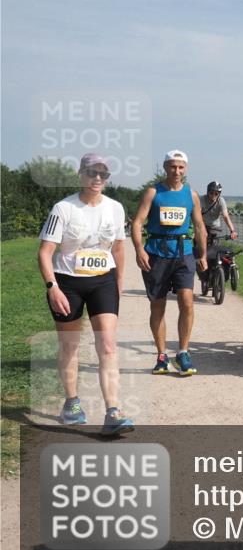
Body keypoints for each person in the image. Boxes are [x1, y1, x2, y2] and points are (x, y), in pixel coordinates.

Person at [37, 153, 134, 436]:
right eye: (92, 172)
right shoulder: (63, 209)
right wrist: (52, 287)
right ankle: (72, 403)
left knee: (108, 346)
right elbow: (45, 252)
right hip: (68, 284)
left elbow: (117, 248)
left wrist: (118, 283)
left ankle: (113, 411)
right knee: (70, 346)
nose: (97, 179)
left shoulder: (115, 208)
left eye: (103, 174)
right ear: (81, 174)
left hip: (102, 281)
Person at [131, 150, 208, 376]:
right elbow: (137, 223)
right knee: (158, 305)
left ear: (186, 169)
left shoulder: (191, 195)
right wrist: (139, 250)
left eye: (181, 167)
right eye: (173, 166)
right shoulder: (153, 192)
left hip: (183, 253)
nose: (177, 171)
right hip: (156, 253)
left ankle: (183, 352)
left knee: (187, 301)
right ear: (165, 167)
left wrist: (202, 254)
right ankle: (162, 355)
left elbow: (200, 226)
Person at [197, 180, 237, 288]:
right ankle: (203, 273)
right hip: (202, 225)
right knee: (200, 251)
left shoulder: (221, 201)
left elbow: (225, 216)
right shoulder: (202, 199)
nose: (214, 195)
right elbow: (198, 215)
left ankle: (216, 273)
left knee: (215, 251)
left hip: (215, 228)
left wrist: (232, 230)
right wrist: (200, 229)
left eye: (216, 193)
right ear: (208, 192)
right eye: (212, 193)